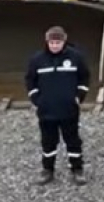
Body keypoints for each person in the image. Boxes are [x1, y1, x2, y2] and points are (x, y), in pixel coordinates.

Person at [25, 26, 90, 186]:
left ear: (64, 41)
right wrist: (36, 98)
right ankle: (48, 169)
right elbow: (30, 80)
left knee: (73, 140)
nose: (55, 45)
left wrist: (79, 96)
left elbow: (84, 77)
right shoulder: (37, 60)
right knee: (48, 141)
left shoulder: (76, 57)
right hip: (47, 111)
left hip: (69, 110)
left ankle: (77, 169)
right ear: (47, 42)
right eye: (52, 42)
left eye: (58, 42)